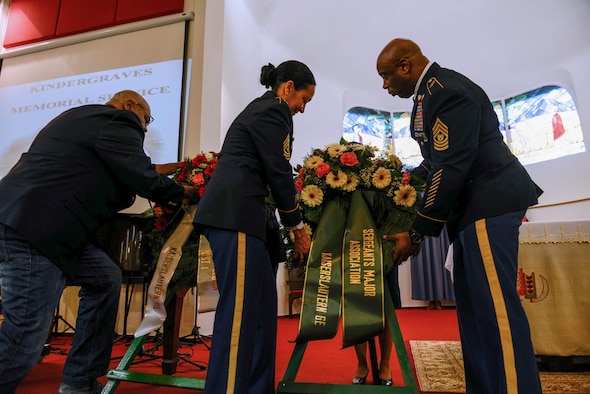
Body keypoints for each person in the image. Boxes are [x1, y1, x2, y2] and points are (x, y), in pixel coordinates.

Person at [0, 90, 199, 394]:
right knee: (24, 337)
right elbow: (140, 174)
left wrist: (181, 168)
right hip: (36, 230)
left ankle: (79, 383)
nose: (145, 129)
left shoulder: (87, 121)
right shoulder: (119, 120)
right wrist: (187, 192)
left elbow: (137, 169)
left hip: (42, 226)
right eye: (146, 120)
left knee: (105, 277)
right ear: (130, 106)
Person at [376, 38, 543, 394]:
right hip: (470, 211)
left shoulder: (446, 92)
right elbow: (436, 160)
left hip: (488, 202)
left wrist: (417, 232)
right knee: (474, 314)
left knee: (495, 313)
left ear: (405, 66)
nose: (385, 86)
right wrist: (394, 181)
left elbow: (450, 167)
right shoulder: (429, 96)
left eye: (386, 76)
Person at [193, 60, 314, 394]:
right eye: (303, 99)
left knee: (260, 314)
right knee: (240, 316)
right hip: (237, 217)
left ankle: (257, 388)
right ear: (288, 87)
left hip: (250, 220)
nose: (302, 108)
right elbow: (278, 170)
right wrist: (298, 227)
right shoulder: (273, 110)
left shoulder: (268, 109)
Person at [352, 267, 400, 386]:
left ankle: (385, 365)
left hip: (386, 254)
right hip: (354, 254)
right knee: (356, 304)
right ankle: (362, 365)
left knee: (387, 306)